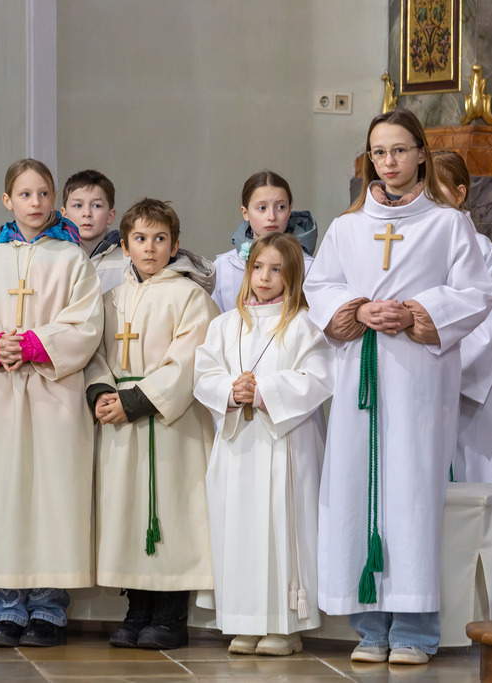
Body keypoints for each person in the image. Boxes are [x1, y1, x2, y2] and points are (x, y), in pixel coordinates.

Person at [302, 109, 492, 665]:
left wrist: (414, 313)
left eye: (399, 151)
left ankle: (414, 629)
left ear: (420, 154)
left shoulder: (447, 225)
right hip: (360, 369)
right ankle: (369, 626)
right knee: (356, 488)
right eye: (378, 153)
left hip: (417, 377)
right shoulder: (346, 227)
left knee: (410, 494)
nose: (388, 163)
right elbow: (320, 287)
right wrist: (356, 309)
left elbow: (475, 293)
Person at [0, 159, 104, 648]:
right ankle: (9, 608)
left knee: (53, 495)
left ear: (53, 201)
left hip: (55, 393)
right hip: (1, 391)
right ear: (6, 201)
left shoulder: (71, 259)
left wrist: (36, 343)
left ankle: (49, 611)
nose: (34, 204)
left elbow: (86, 323)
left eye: (43, 195)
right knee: (5, 495)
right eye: (24, 194)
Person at [85, 198, 219, 650]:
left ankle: (170, 614)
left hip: (170, 423)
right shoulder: (110, 298)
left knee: (170, 512)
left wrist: (138, 400)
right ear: (124, 246)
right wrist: (102, 393)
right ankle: (137, 607)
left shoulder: (191, 297)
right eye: (140, 239)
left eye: (160, 239)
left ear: (175, 245)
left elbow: (190, 359)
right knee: (126, 511)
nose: (149, 247)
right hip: (120, 419)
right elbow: (95, 353)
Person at [194, 233, 335, 656]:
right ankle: (243, 622)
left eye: (276, 269)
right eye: (258, 267)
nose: (265, 277)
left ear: (294, 274)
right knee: (237, 530)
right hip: (238, 444)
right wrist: (231, 390)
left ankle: (283, 626)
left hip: (286, 443)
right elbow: (203, 376)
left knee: (282, 527)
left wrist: (264, 390)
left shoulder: (305, 325)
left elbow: (320, 377)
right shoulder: (224, 324)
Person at [432, 150, 492, 484]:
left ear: (460, 193)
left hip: (464, 390)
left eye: (435, 191)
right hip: (422, 384)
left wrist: (445, 371)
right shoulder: (417, 246)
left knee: (472, 478)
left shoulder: (480, 249)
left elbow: (488, 327)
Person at [212, 171, 318, 312]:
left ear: (290, 210)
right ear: (245, 213)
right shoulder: (223, 267)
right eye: (262, 208)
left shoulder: (310, 268)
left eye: (281, 207)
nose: (272, 216)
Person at [60, 169, 127, 293]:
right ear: (64, 215)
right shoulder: (54, 256)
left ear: (110, 216)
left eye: (96, 206)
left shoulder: (128, 260)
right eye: (78, 205)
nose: (87, 213)